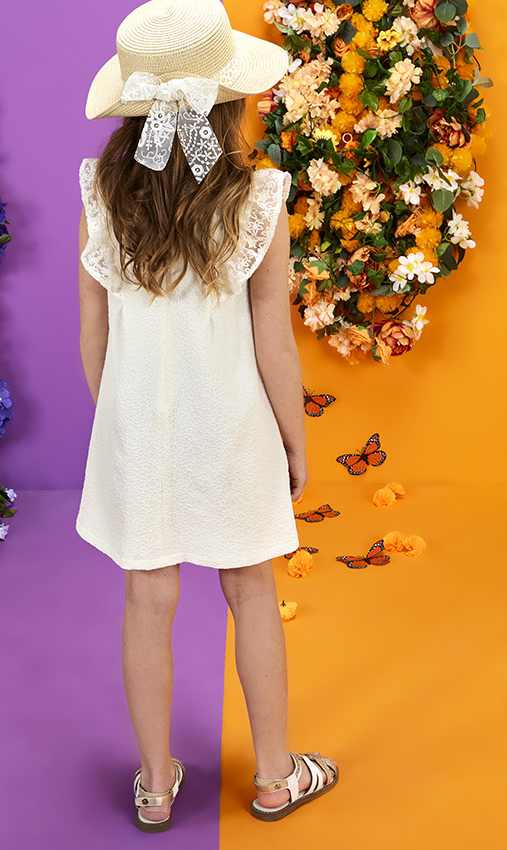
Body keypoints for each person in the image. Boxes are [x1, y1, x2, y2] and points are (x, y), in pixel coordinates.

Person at [75, 0, 338, 834]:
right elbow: (277, 345)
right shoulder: (258, 198)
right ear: (229, 99)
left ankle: (156, 785)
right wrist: (294, 442)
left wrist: (115, 429)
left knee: (146, 599)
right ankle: (273, 776)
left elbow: (95, 330)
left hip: (135, 431)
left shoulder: (101, 189)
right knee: (251, 589)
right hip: (230, 428)